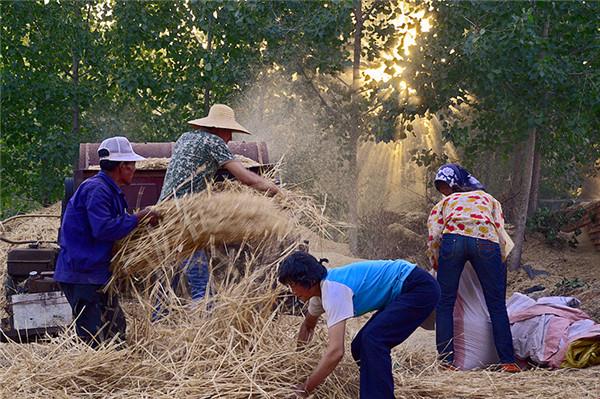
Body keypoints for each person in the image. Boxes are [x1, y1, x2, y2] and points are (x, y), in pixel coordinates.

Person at [157, 104, 280, 305]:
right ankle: (203, 329)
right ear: (218, 128)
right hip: (184, 218)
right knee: (200, 283)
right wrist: (277, 192)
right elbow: (247, 179)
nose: (230, 138)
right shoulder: (214, 142)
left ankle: (157, 321)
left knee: (169, 280)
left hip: (165, 212)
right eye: (229, 131)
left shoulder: (185, 138)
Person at [278, 251, 440, 398]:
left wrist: (304, 390)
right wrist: (298, 362)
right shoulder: (318, 295)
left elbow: (336, 352)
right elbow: (308, 326)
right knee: (359, 346)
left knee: (373, 340)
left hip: (417, 287)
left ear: (308, 280)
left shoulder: (333, 291)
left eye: (293, 284)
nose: (292, 291)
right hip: (403, 290)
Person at [54, 136, 159, 347]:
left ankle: (115, 372)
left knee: (115, 330)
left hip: (97, 273)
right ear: (122, 166)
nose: (134, 170)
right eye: (132, 165)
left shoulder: (107, 190)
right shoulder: (97, 190)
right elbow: (104, 228)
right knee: (94, 337)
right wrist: (138, 218)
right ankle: (93, 377)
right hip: (83, 274)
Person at [427, 163, 519, 372]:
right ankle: (508, 361)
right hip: (486, 241)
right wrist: (499, 261)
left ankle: (446, 362)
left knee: (445, 303)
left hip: (453, 242)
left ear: (454, 184)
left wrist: (435, 262)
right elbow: (499, 229)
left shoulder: (445, 203)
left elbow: (434, 234)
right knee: (496, 303)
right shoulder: (489, 199)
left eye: (445, 186)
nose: (445, 191)